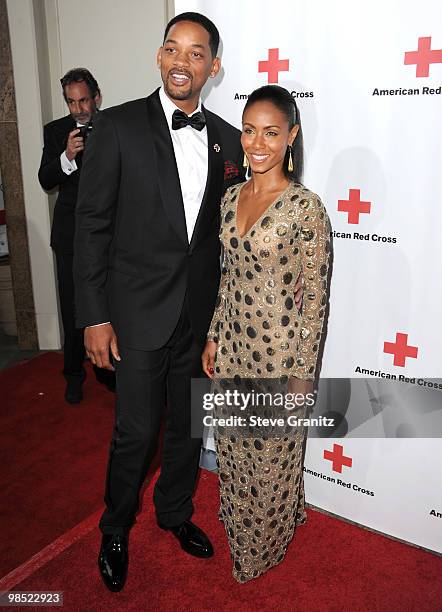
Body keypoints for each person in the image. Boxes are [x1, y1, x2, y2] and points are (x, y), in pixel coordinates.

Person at [73, 13, 250, 593]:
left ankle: (174, 512)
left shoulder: (227, 138)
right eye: (173, 49)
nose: (182, 62)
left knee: (189, 429)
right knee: (136, 431)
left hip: (198, 319)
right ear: (159, 55)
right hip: (136, 314)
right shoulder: (117, 127)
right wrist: (96, 316)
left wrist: (223, 319)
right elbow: (92, 227)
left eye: (197, 54)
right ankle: (116, 528)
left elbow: (221, 240)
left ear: (213, 67)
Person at [202, 85, 331, 583]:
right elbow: (227, 274)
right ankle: (241, 523)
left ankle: (263, 544)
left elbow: (314, 302)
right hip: (233, 347)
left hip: (279, 355)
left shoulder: (305, 208)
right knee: (234, 447)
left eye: (272, 132)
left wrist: (302, 376)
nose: (257, 143)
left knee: (273, 456)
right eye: (249, 130)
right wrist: (214, 335)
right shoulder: (232, 195)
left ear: (292, 136)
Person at [38, 68, 115, 404]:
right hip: (70, 235)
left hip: (110, 234)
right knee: (72, 310)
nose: (79, 108)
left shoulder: (114, 126)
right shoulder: (56, 132)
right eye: (72, 102)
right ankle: (73, 374)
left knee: (109, 305)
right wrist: (67, 156)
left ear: (96, 97)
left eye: (84, 100)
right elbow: (45, 179)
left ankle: (110, 371)